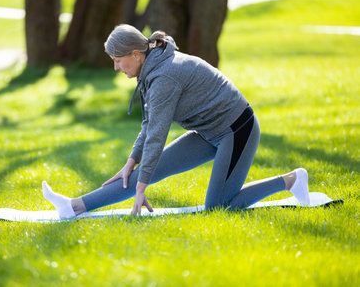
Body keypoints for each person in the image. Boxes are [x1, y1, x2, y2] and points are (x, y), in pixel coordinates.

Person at [42, 24, 310, 218]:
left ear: (136, 54)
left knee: (218, 208)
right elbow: (148, 125)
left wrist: (142, 185)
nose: (115, 68)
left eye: (117, 60)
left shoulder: (164, 78)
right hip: (208, 132)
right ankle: (74, 206)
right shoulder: (152, 68)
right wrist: (131, 163)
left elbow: (158, 135)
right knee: (132, 176)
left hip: (237, 129)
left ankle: (291, 181)